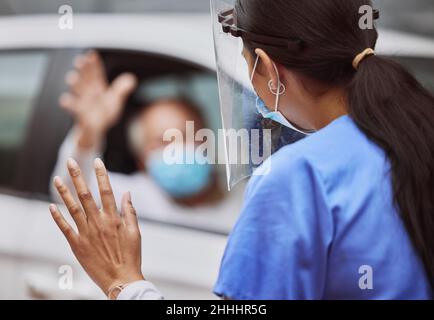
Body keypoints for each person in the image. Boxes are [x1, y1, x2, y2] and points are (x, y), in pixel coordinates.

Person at [49, 0, 434, 300]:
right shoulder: (415, 138)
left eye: (247, 63)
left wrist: (124, 283)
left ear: (267, 67)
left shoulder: (298, 176)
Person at [51, 51, 241, 231]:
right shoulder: (133, 200)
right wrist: (89, 133)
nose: (177, 149)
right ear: (142, 160)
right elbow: (74, 195)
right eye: (162, 142)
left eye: (186, 136)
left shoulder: (244, 195)